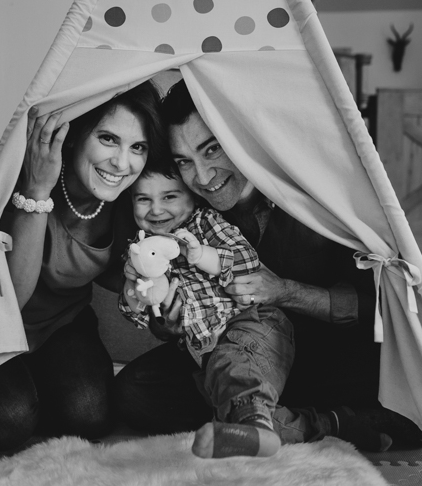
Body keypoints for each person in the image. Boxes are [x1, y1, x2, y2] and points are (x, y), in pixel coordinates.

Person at [113, 79, 422, 450]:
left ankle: (267, 418)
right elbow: (174, 295)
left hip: (321, 355)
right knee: (134, 392)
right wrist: (166, 325)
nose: (203, 177)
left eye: (212, 149)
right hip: (230, 356)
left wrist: (285, 292)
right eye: (185, 162)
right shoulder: (187, 213)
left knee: (412, 397)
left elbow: (377, 306)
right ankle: (314, 424)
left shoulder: (317, 198)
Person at [0, 81, 164, 450]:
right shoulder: (24, 179)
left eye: (137, 147)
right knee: (9, 423)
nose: (122, 163)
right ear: (73, 137)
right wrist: (37, 192)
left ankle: (35, 387)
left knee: (89, 415)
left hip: (62, 326)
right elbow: (10, 300)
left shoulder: (127, 200)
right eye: (108, 139)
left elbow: (128, 281)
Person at [118, 165, 294, 458]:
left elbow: (245, 261)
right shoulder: (140, 249)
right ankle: (320, 426)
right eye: (143, 199)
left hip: (251, 323)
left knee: (230, 361)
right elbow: (133, 311)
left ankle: (252, 426)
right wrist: (133, 286)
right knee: (219, 386)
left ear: (193, 198)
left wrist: (201, 255)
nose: (156, 209)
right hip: (204, 350)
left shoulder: (204, 224)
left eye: (170, 196)